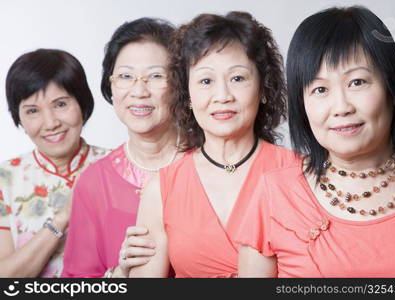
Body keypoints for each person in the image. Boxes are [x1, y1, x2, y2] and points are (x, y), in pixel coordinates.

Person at [237, 6, 395, 277]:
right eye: (320, 89)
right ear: (302, 103)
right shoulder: (274, 193)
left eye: (357, 82)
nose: (341, 107)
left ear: (391, 88)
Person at [129, 11, 295, 278]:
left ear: (263, 88)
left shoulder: (301, 173)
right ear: (188, 95)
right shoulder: (161, 189)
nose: (222, 96)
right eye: (206, 81)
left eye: (237, 78)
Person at [62, 18, 178, 278]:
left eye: (156, 76)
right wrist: (120, 274)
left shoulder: (210, 164)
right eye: (126, 76)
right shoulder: (93, 182)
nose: (139, 90)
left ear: (180, 85)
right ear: (111, 85)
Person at [0, 49, 109, 277]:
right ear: (18, 117)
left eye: (60, 104)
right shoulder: (5, 178)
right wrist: (63, 217)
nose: (50, 123)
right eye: (32, 111)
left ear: (82, 103)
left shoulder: (119, 166)